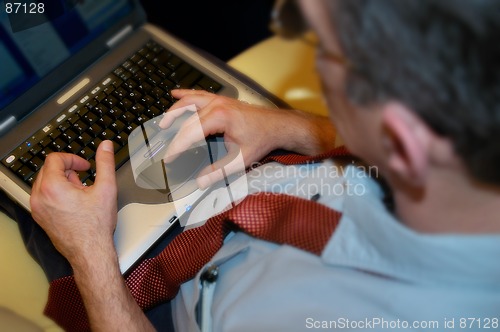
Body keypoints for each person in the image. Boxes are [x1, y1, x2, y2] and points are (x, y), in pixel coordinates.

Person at [28, 0, 500, 331]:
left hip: (153, 302)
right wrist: (284, 127)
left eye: (330, 52)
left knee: (40, 188)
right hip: (265, 181)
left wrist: (90, 252)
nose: (313, 68)